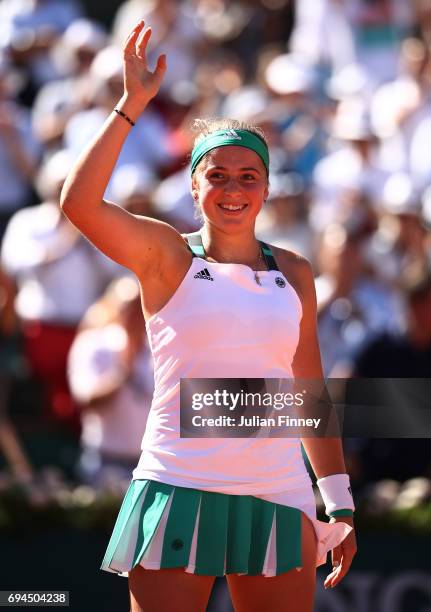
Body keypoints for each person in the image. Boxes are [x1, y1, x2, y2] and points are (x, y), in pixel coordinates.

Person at [60, 20, 357, 612]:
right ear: (193, 187)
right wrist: (130, 104)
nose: (233, 189)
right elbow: (79, 203)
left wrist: (339, 500)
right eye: (216, 175)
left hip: (280, 493)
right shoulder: (165, 255)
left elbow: (308, 392)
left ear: (266, 189)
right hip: (178, 486)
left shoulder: (295, 271)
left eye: (249, 176)